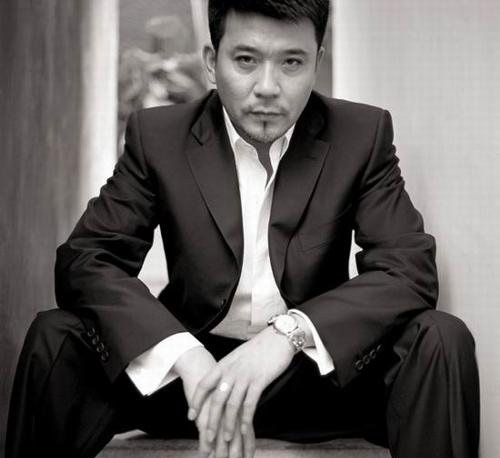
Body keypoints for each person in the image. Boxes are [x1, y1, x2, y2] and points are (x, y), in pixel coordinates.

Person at [6, 1, 480, 457]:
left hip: (314, 378)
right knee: (56, 334)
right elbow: (87, 260)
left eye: (291, 62)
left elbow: (408, 270)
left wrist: (289, 334)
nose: (267, 88)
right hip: (192, 384)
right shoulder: (160, 137)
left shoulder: (361, 134)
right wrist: (183, 354)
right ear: (211, 62)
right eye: (246, 60)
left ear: (317, 62)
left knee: (440, 336)